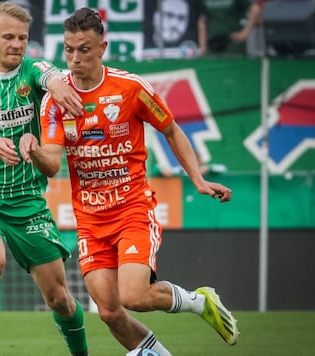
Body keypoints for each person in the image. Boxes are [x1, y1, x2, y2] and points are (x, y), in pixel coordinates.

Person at [20, 8, 239, 356]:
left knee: (134, 296)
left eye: (84, 49)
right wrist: (31, 149)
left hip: (132, 209)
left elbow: (170, 129)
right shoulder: (55, 102)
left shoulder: (130, 88)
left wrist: (196, 178)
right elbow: (51, 164)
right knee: (108, 310)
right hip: (90, 221)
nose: (75, 59)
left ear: (103, 47)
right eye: (69, 49)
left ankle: (200, 302)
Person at [0, 2, 89, 356]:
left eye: (22, 38)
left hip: (26, 199)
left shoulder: (31, 70)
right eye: (8, 37)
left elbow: (50, 74)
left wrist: (56, 85)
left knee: (60, 299)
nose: (16, 44)